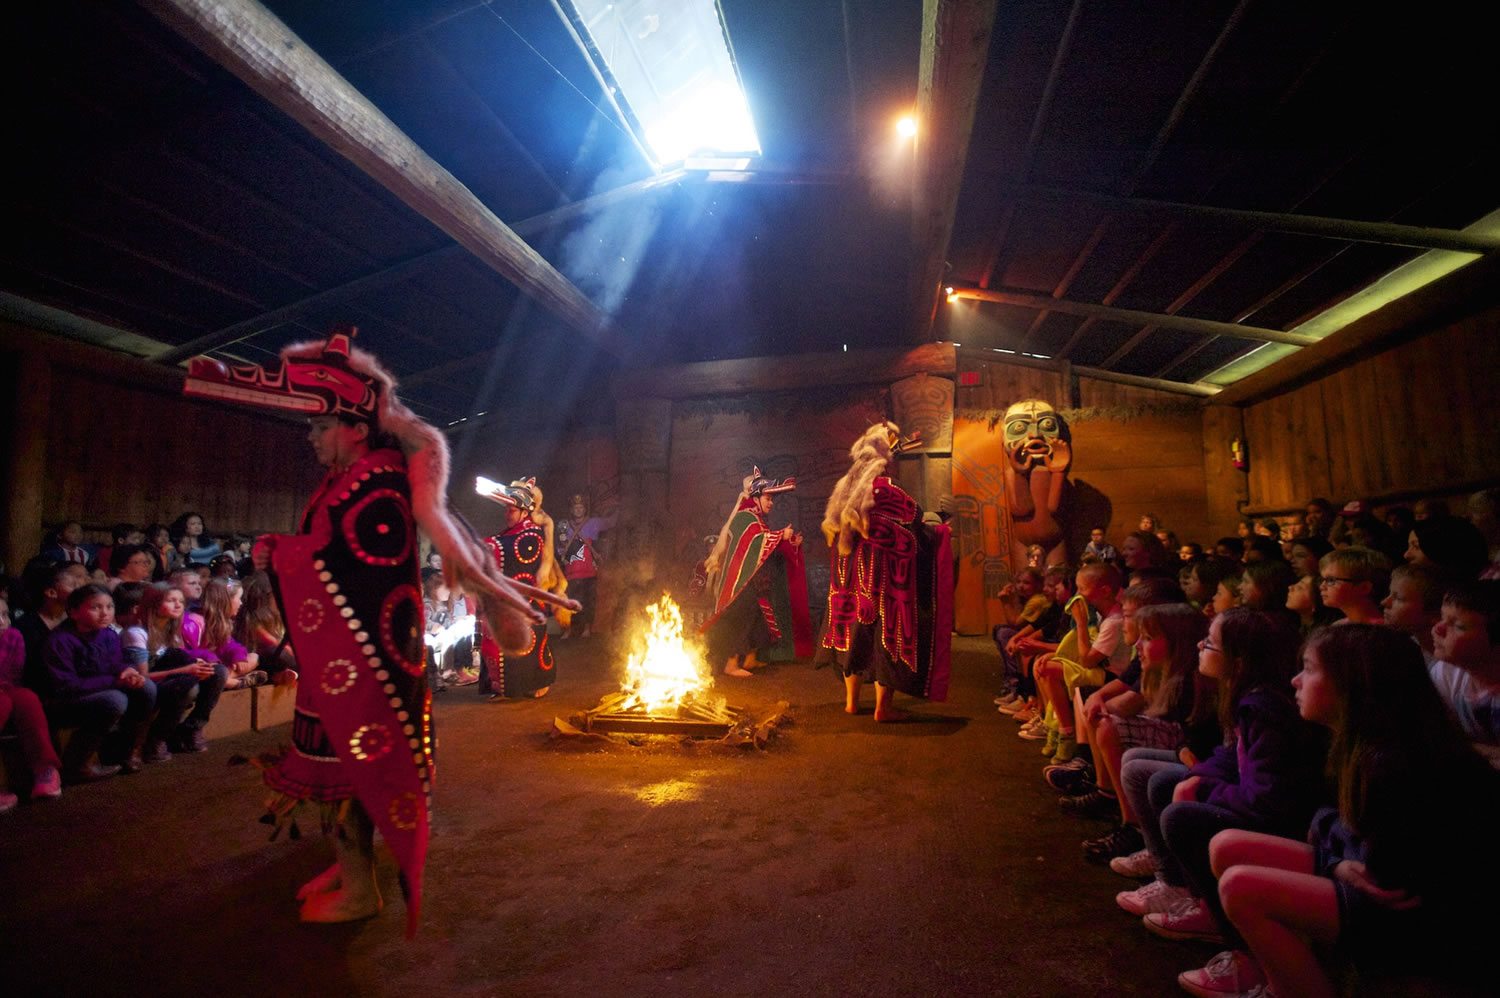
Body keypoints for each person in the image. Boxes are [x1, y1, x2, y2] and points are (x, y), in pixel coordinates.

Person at [184, 324, 571, 932]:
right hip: (341, 663)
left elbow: (357, 571)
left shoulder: (379, 482)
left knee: (353, 778)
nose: (310, 439)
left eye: (318, 427)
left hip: (368, 671)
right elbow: (330, 555)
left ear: (357, 428)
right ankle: (347, 869)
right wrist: (282, 551)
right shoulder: (347, 479)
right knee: (339, 779)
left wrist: (279, 554)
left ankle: (362, 886)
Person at [1202, 625, 1499, 997]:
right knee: (1227, 845)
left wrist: (1333, 850)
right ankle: (1273, 972)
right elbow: (1328, 818)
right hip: (1372, 872)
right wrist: (1335, 852)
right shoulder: (1358, 741)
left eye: (1309, 669)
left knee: (1241, 888)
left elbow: (1382, 877)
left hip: (1440, 926)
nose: (1295, 680)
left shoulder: (1395, 764)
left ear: (1353, 682)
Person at [816, 422, 951, 721]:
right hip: (883, 577)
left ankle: (852, 702)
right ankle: (882, 708)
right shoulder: (888, 489)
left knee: (852, 633)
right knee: (883, 638)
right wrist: (939, 533)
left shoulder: (844, 489)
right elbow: (914, 521)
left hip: (848, 576)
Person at [700, 467, 812, 678]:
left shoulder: (755, 517)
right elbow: (755, 541)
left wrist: (787, 540)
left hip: (753, 579)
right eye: (768, 498)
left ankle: (750, 658)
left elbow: (763, 542)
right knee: (740, 616)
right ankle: (731, 664)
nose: (771, 503)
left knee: (759, 616)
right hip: (739, 581)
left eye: (772, 499)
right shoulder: (745, 516)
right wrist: (780, 535)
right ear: (756, 497)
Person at [42, 585, 156, 782]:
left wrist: (128, 671)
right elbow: (65, 686)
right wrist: (114, 681)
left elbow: (116, 662)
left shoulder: (108, 634)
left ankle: (126, 750)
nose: (105, 613)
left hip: (102, 688)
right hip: (61, 701)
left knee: (146, 687)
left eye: (110, 607)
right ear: (74, 612)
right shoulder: (60, 641)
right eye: (96, 608)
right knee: (115, 700)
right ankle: (76, 764)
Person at [474, 476, 561, 699]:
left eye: (511, 510)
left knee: (528, 647)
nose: (506, 514)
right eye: (506, 509)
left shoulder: (532, 534)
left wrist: (484, 545)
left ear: (524, 511)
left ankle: (535, 682)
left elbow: (512, 553)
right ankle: (501, 686)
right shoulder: (507, 533)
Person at [1427, 580, 1500, 765]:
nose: (1438, 628)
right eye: (1442, 617)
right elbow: (1439, 736)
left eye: (1458, 626)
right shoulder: (1447, 672)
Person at [0, 597, 63, 809]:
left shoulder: (12, 636)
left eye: (5, 615)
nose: (2, 621)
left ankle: (45, 769)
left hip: (6, 687)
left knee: (26, 698)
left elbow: (13, 675)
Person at [554, 492, 617, 639]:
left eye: (581, 507)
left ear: (585, 509)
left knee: (589, 601)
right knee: (569, 602)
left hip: (589, 571)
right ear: (571, 509)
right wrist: (562, 546)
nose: (578, 510)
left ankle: (587, 629)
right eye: (575, 507)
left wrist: (616, 506)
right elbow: (560, 548)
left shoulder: (593, 523)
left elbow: (611, 522)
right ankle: (568, 630)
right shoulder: (563, 525)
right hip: (570, 571)